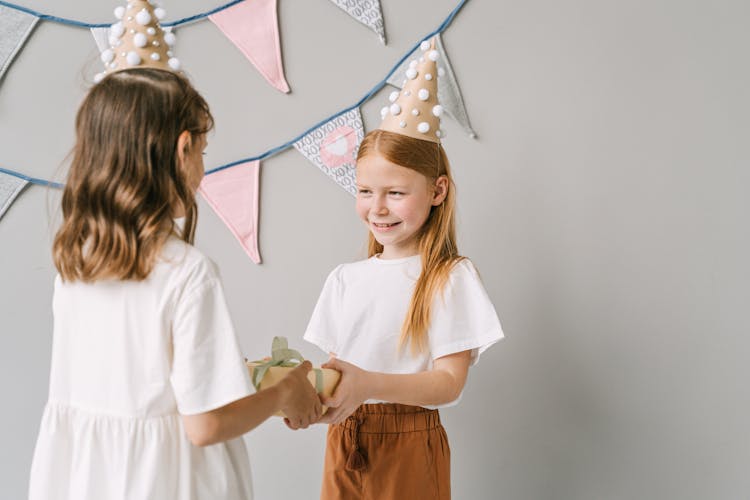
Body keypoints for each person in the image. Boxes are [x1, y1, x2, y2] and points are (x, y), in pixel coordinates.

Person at [28, 47, 320, 500]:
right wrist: (283, 394)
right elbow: (204, 426)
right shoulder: (187, 274)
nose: (202, 170)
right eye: (202, 152)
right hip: (168, 483)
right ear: (183, 148)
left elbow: (140, 380)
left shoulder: (76, 262)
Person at [303, 39, 504, 500]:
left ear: (437, 191)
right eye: (365, 191)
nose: (377, 208)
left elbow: (449, 383)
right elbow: (337, 373)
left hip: (409, 441)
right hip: (344, 440)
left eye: (395, 192)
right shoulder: (344, 280)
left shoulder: (449, 277)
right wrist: (306, 399)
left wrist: (368, 385)